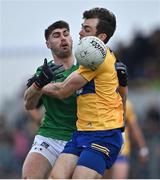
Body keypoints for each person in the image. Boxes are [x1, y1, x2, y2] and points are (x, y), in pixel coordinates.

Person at [41, 7, 128, 179]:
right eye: (82, 27)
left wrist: (39, 85)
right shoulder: (92, 59)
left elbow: (62, 91)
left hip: (104, 134)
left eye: (87, 29)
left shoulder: (97, 59)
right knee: (56, 177)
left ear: (101, 38)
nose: (80, 32)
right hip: (82, 133)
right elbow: (121, 95)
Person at [22, 20, 78, 179]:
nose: (63, 38)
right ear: (48, 44)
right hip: (49, 136)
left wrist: (38, 85)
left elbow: (62, 92)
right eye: (57, 35)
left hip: (77, 138)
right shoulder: (43, 72)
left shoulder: (84, 69)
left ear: (71, 39)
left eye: (66, 33)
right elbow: (29, 104)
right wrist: (38, 83)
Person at [103, 99, 149, 179]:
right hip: (102, 149)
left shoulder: (125, 103)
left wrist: (142, 148)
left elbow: (134, 128)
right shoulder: (100, 100)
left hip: (120, 151)